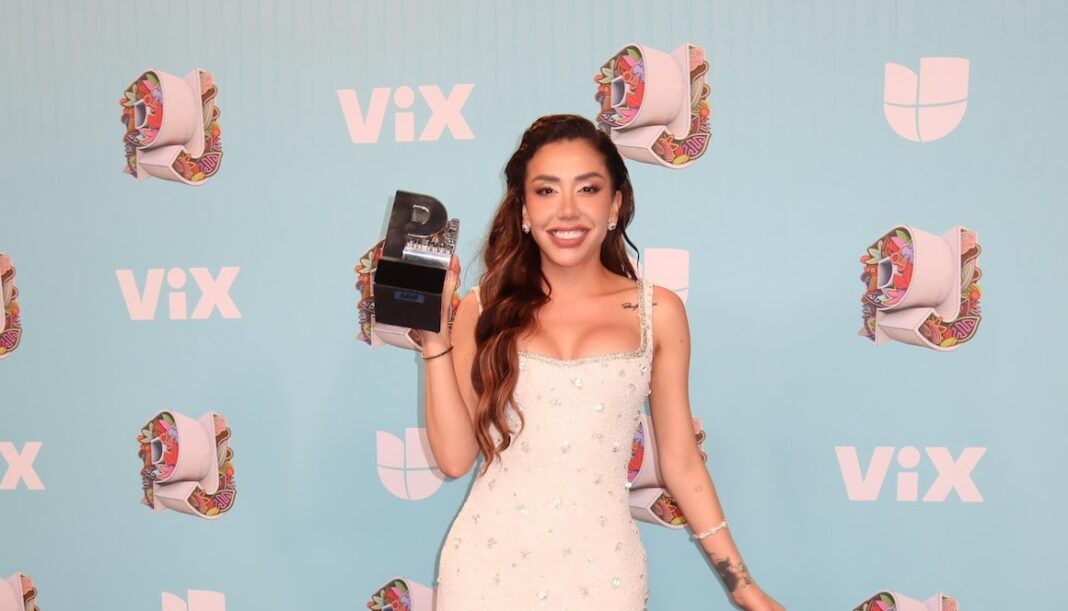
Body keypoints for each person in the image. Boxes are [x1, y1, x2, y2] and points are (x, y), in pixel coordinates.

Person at [416, 114, 785, 610]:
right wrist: (434, 342)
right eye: (546, 191)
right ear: (523, 209)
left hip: (604, 574)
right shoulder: (483, 309)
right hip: (485, 572)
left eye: (587, 189)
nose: (567, 210)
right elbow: (455, 458)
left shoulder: (657, 312)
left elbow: (681, 463)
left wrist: (743, 586)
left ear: (614, 205)